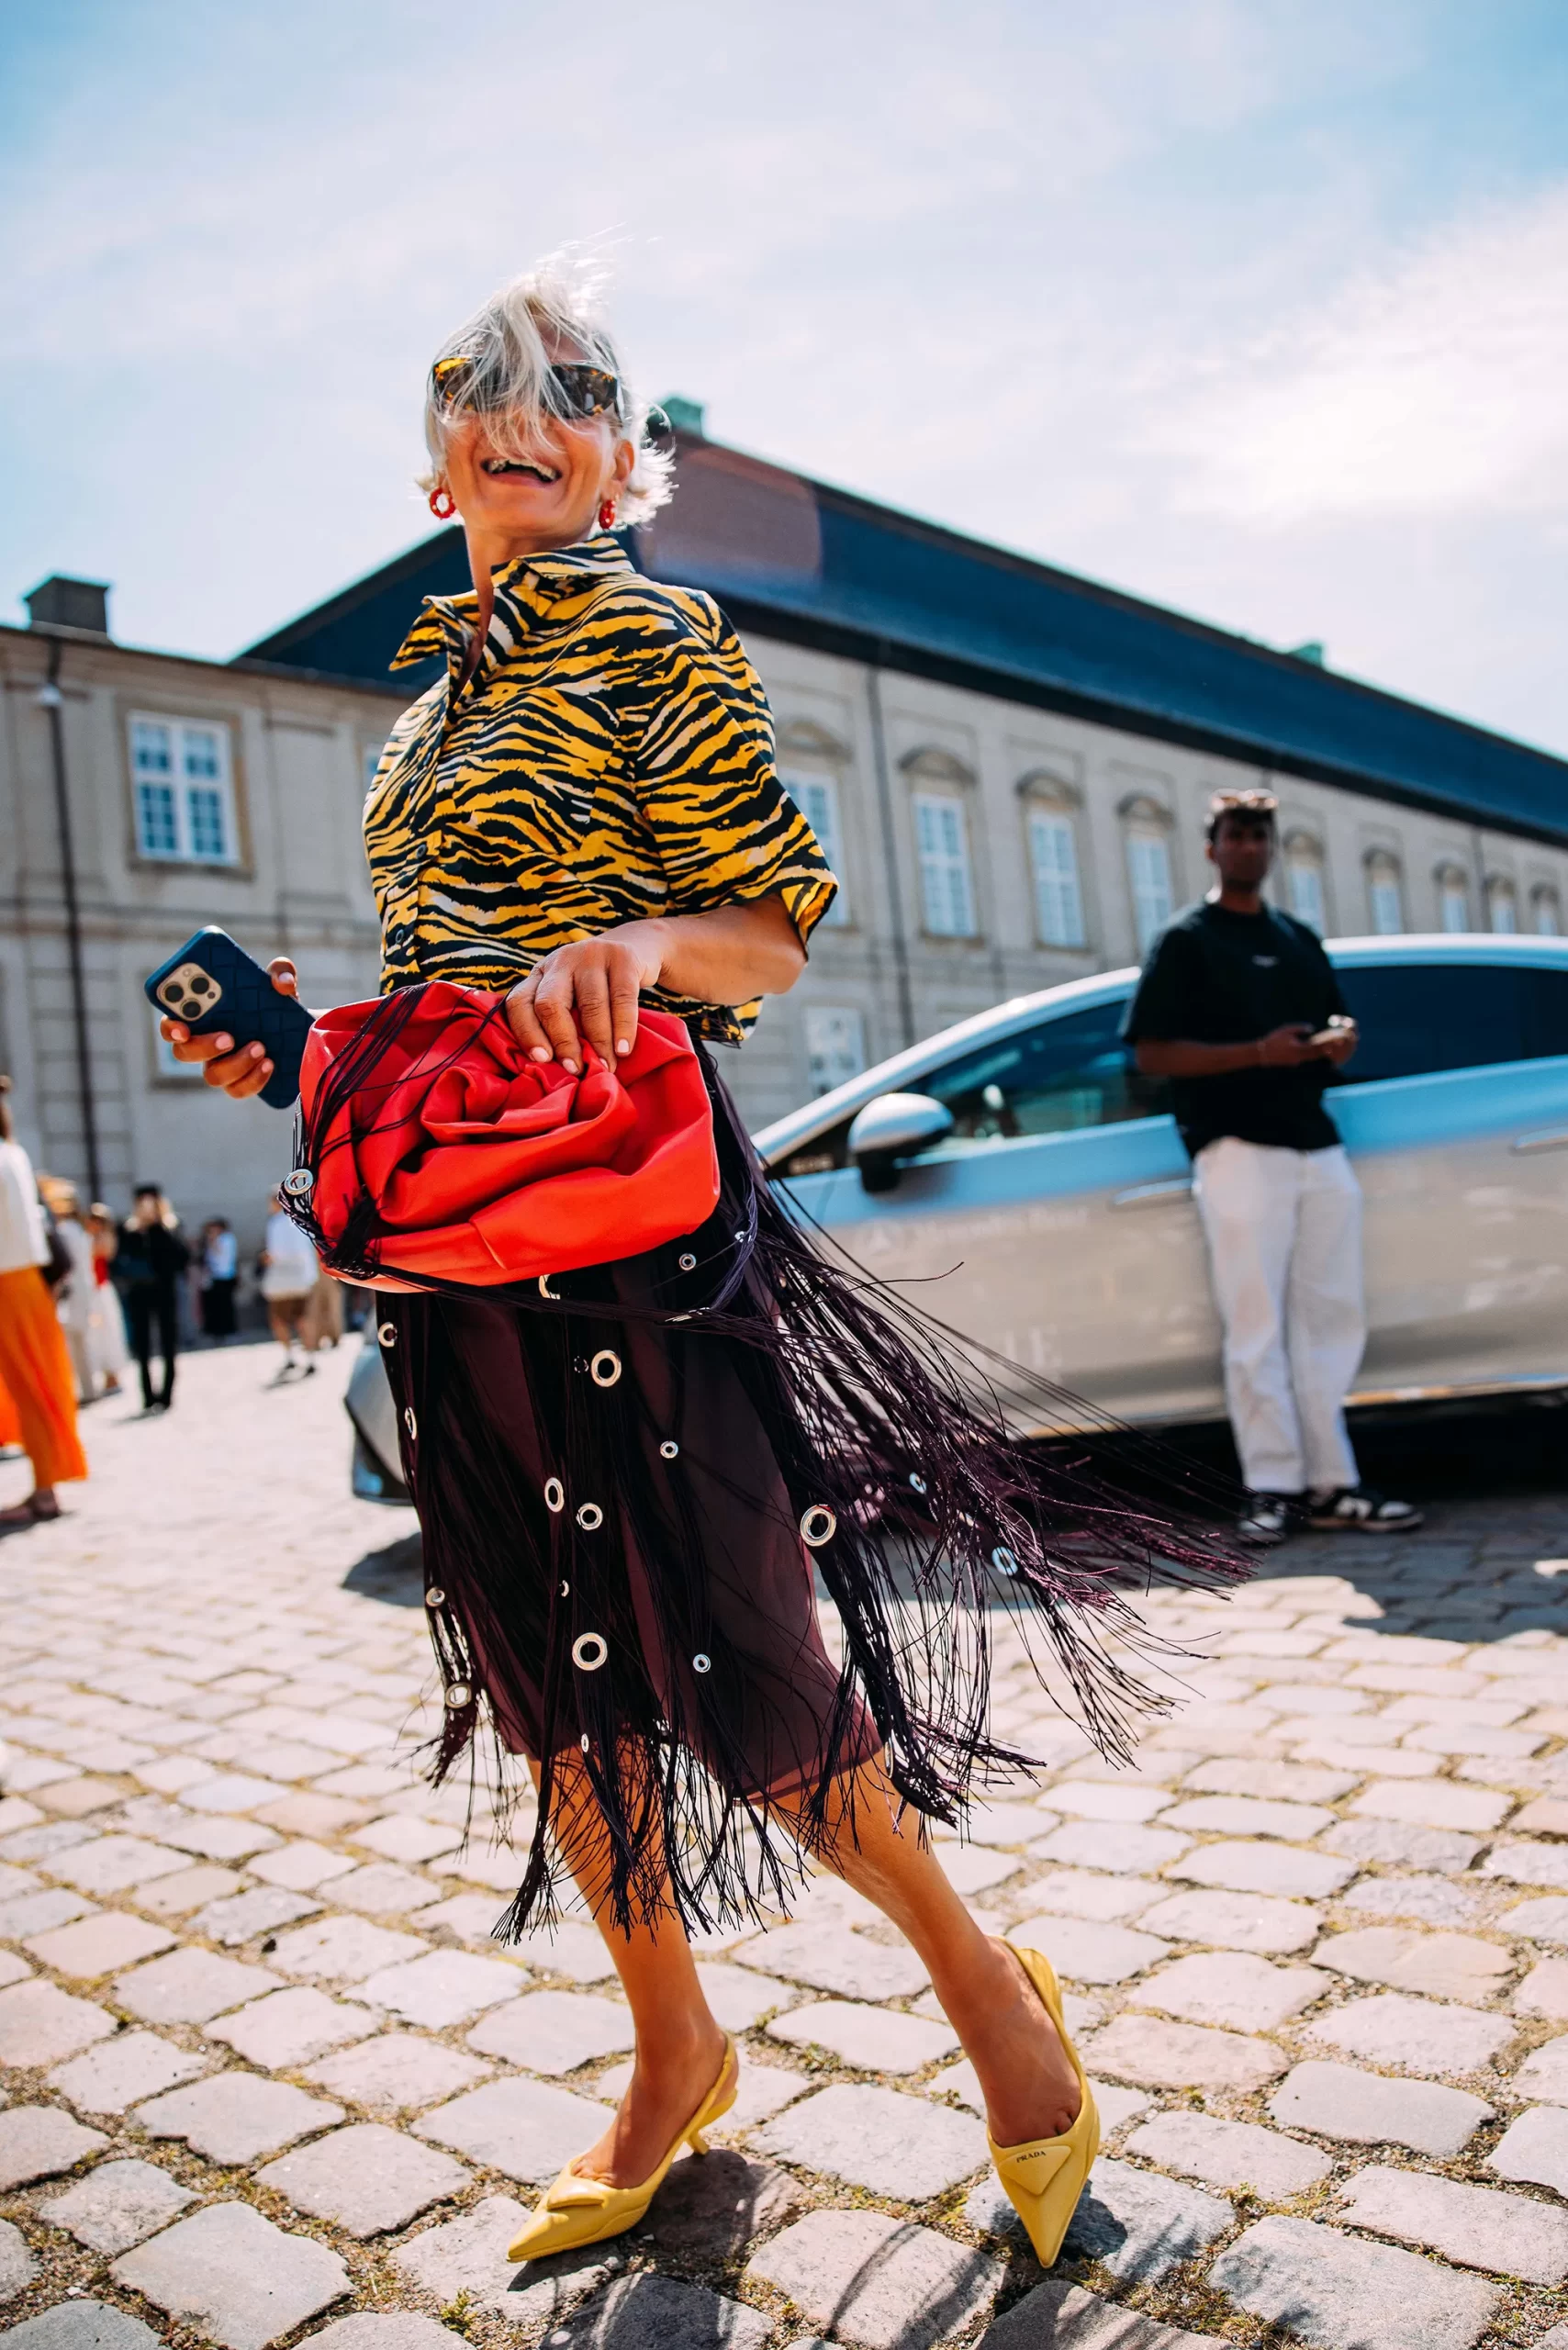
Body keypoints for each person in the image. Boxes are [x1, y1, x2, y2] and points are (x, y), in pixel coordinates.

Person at [162, 256, 1239, 2273]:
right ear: (436, 475)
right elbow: (453, 1004)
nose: (527, 403)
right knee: (541, 1658)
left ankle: (987, 1990)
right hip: (460, 1237)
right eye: (483, 387)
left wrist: (647, 947)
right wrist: (294, 1049)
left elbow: (765, 936)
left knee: (747, 1644)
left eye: (573, 383)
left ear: (618, 456)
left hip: (635, 1223)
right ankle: (671, 2048)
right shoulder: (416, 727)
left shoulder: (661, 641)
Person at [1124, 787, 1422, 1545]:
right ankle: (1272, 1487)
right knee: (1255, 1323)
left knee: (1331, 1319)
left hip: (1317, 1147)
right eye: (1237, 833)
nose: (1251, 845)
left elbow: (1329, 1025)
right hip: (1237, 1149)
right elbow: (1151, 1052)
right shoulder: (1186, 939)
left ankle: (1333, 1483)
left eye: (1261, 834)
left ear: (1271, 845)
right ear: (1211, 847)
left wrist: (1336, 1042)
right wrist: (1258, 1053)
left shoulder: (1298, 938)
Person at [0, 1079, 87, 1524]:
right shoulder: (13, 1153)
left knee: (30, 1389)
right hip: (25, 1282)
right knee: (37, 1385)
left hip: (10, 1284)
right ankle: (45, 1485)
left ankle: (44, 1489)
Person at [115, 1186, 190, 1413]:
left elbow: (182, 1258)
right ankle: (147, 1395)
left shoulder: (170, 1227)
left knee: (168, 1343)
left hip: (164, 1292)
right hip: (139, 1292)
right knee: (143, 1346)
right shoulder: (129, 1230)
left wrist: (158, 1227)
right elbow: (119, 1262)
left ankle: (166, 1395)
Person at [39, 1178, 99, 1403]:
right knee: (82, 1343)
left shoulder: (65, 1231)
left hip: (72, 1291)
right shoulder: (79, 1230)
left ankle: (78, 1390)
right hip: (83, 1288)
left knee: (72, 1346)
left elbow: (66, 1264)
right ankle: (88, 1388)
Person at [259, 1190, 321, 1371]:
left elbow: (276, 1253)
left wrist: (267, 1258)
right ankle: (311, 1357)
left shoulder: (276, 1223)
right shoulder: (302, 1221)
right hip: (303, 1278)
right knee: (304, 1319)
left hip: (282, 1280)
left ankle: (290, 1356)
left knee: (279, 1321)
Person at [84, 1204, 128, 1395]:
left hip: (100, 1290)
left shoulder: (102, 1239)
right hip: (90, 1291)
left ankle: (112, 1374)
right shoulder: (87, 1238)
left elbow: (104, 1252)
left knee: (107, 1332)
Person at [198, 1217, 239, 1340]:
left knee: (226, 1305)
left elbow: (221, 1254)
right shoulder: (213, 1240)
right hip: (214, 1276)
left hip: (225, 1276)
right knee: (215, 1306)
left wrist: (213, 1240)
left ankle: (228, 1330)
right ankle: (217, 1331)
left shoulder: (227, 1239)